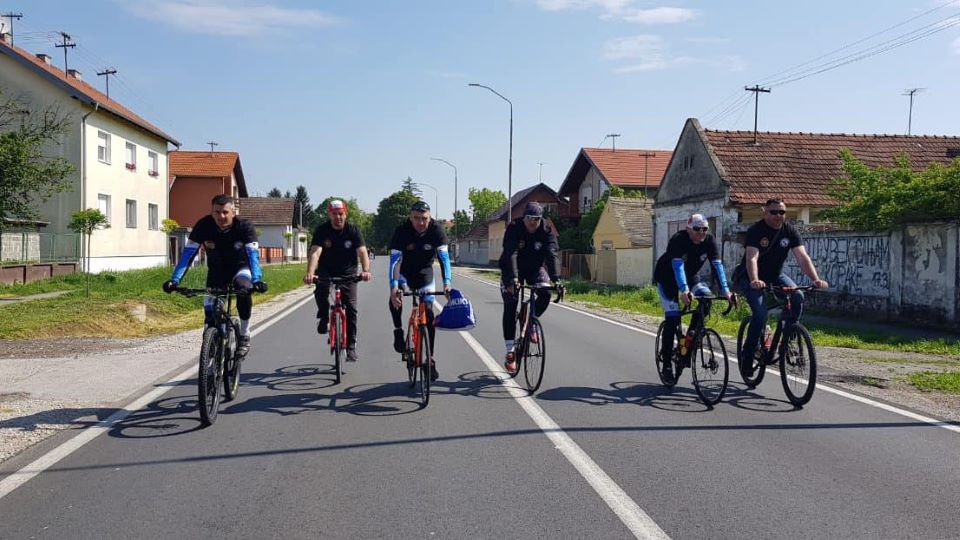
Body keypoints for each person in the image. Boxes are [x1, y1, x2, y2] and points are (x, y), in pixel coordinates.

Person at [163, 194, 267, 356]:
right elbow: (188, 254)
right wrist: (175, 280)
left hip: (241, 268)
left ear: (233, 212)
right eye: (217, 212)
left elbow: (253, 255)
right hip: (217, 271)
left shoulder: (244, 226)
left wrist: (257, 280)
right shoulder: (204, 225)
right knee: (210, 315)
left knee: (243, 287)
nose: (221, 216)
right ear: (212, 212)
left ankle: (244, 334)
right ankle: (210, 350)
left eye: (225, 212)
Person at [736, 199, 829, 375]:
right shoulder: (756, 230)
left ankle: (787, 339)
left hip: (775, 276)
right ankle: (747, 355)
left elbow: (802, 257)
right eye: (774, 212)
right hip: (751, 278)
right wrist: (755, 279)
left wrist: (816, 279)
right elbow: (752, 258)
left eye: (782, 212)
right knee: (760, 315)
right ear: (765, 212)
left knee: (798, 296)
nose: (778, 216)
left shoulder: (789, 231)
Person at [652, 213, 732, 380]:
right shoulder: (678, 239)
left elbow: (717, 266)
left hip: (691, 277)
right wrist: (684, 290)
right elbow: (678, 267)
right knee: (673, 319)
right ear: (688, 229)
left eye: (704, 229)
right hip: (667, 278)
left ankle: (691, 337)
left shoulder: (709, 241)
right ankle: (667, 365)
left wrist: (726, 291)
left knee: (706, 299)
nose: (701, 232)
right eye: (697, 229)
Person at [388, 200, 452, 381]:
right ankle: (398, 330)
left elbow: (444, 259)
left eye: (424, 218)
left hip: (425, 274)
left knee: (429, 314)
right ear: (411, 217)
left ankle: (430, 359)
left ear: (430, 218)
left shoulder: (437, 231)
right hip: (404, 273)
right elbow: (394, 262)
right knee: (395, 298)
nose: (421, 222)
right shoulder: (402, 231)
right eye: (417, 218)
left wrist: (447, 283)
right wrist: (394, 286)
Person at [303, 199, 372, 362]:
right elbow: (315, 253)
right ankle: (324, 316)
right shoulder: (322, 230)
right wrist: (310, 273)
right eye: (334, 214)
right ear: (329, 214)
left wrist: (365, 271)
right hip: (326, 269)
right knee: (321, 290)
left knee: (351, 308)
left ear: (345, 214)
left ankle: (351, 347)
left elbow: (362, 252)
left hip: (348, 271)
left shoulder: (353, 230)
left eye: (341, 214)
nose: (338, 217)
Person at [499, 202, 561, 374]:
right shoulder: (514, 227)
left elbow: (552, 254)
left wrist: (556, 280)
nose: (533, 222)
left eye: (537, 219)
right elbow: (511, 253)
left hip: (534, 268)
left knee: (546, 292)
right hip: (512, 268)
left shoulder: (546, 229)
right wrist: (513, 279)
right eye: (530, 218)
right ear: (524, 217)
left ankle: (531, 321)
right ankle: (510, 351)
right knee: (511, 303)